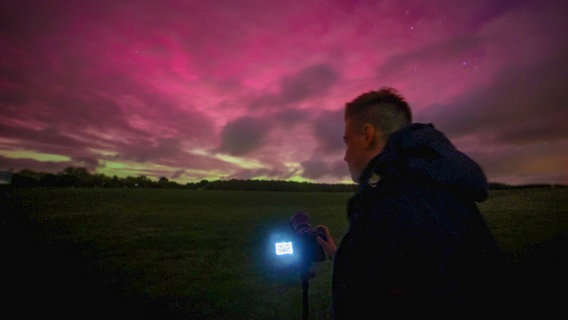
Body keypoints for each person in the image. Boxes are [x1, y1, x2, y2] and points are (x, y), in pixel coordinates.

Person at [316, 87, 503, 319]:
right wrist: (341, 254)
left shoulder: (388, 204)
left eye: (347, 141)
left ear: (367, 135)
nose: (345, 156)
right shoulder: (443, 190)